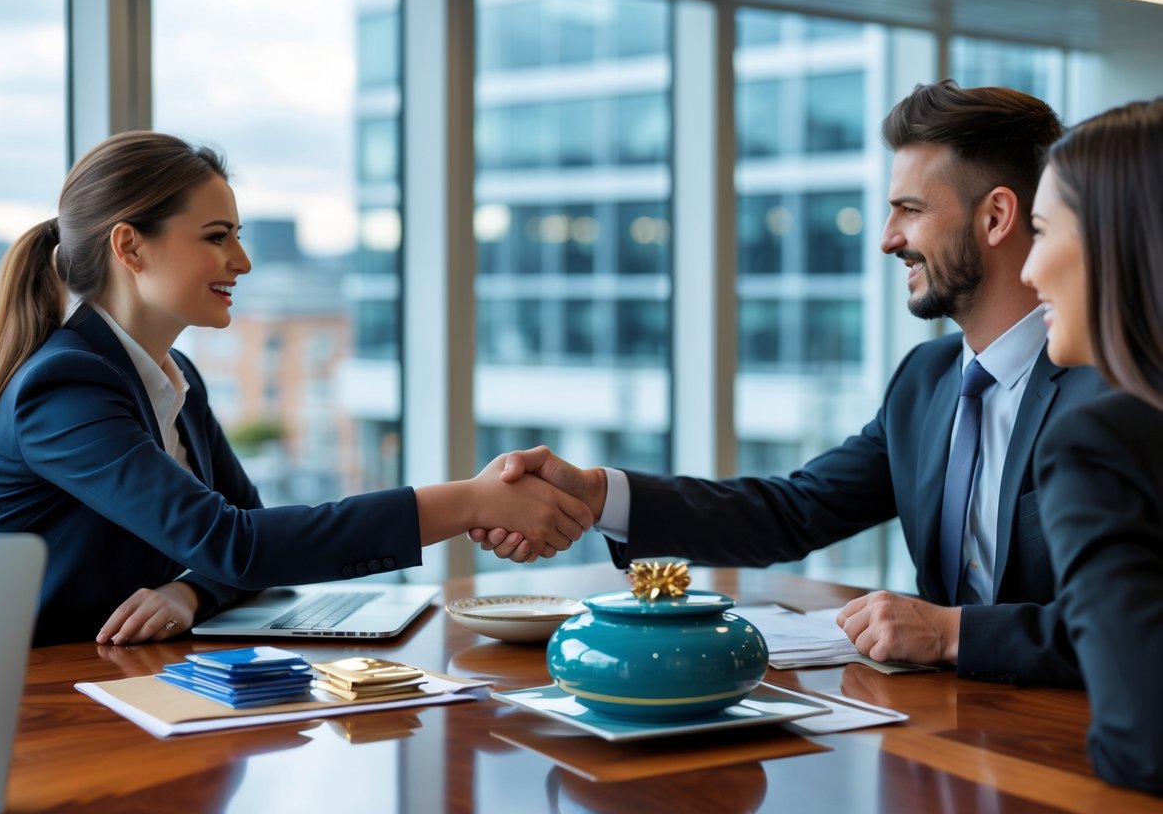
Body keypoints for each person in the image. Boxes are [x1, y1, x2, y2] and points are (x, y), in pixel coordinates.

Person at [474, 80, 1108, 685]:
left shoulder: (1113, 394)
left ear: (996, 217)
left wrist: (951, 633)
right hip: (946, 739)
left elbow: (1130, 624)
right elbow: (792, 510)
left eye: (910, 211)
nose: (888, 240)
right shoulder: (926, 382)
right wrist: (595, 495)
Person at [0, 130, 591, 647]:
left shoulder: (177, 378)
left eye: (238, 236)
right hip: (34, 699)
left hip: (127, 681)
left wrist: (191, 592)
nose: (242, 262)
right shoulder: (64, 386)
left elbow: (245, 536)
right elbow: (239, 545)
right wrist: (467, 503)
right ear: (130, 247)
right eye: (217, 237)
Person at [1021, 96, 1163, 795]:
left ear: (1118, 243)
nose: (1027, 271)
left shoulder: (1097, 444)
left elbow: (1142, 743)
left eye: (1041, 231)